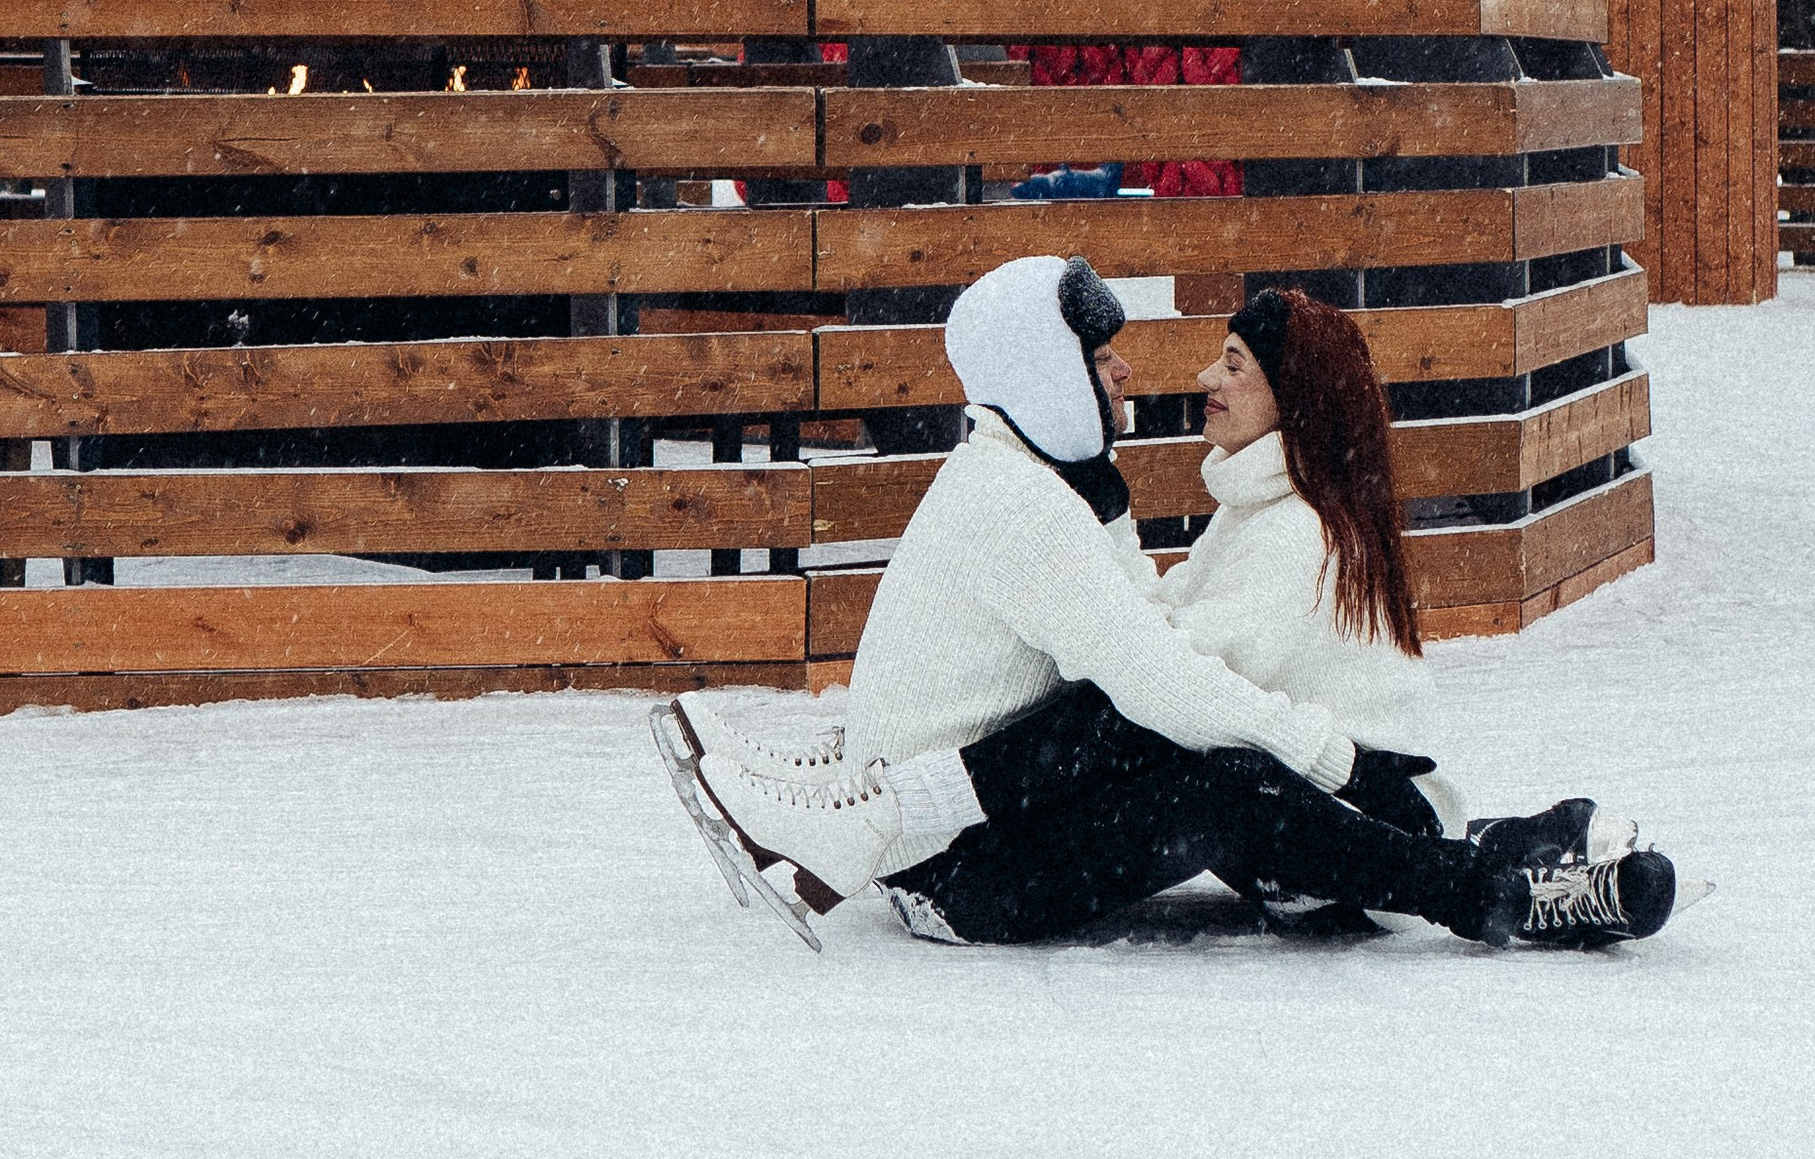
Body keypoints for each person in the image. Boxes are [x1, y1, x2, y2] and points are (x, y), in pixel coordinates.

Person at [659, 253, 1676, 949]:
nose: (1135, 373)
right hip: (958, 879)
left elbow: (1154, 664)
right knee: (1183, 751)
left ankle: (1514, 869)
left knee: (1186, 746)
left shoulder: (1017, 477)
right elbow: (1155, 670)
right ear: (1049, 376)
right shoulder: (1029, 503)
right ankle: (1492, 887)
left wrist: (1343, 763)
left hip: (979, 848)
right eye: (1100, 359)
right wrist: (1335, 758)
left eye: (1230, 364)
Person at [1171, 285, 1647, 892]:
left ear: (1292, 396)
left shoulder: (1295, 531)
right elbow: (1173, 615)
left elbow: (1174, 671)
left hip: (1363, 819)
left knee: (1198, 774)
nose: (1207, 377)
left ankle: (1530, 874)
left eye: (1234, 364)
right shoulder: (1270, 504)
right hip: (1361, 801)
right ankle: (1525, 842)